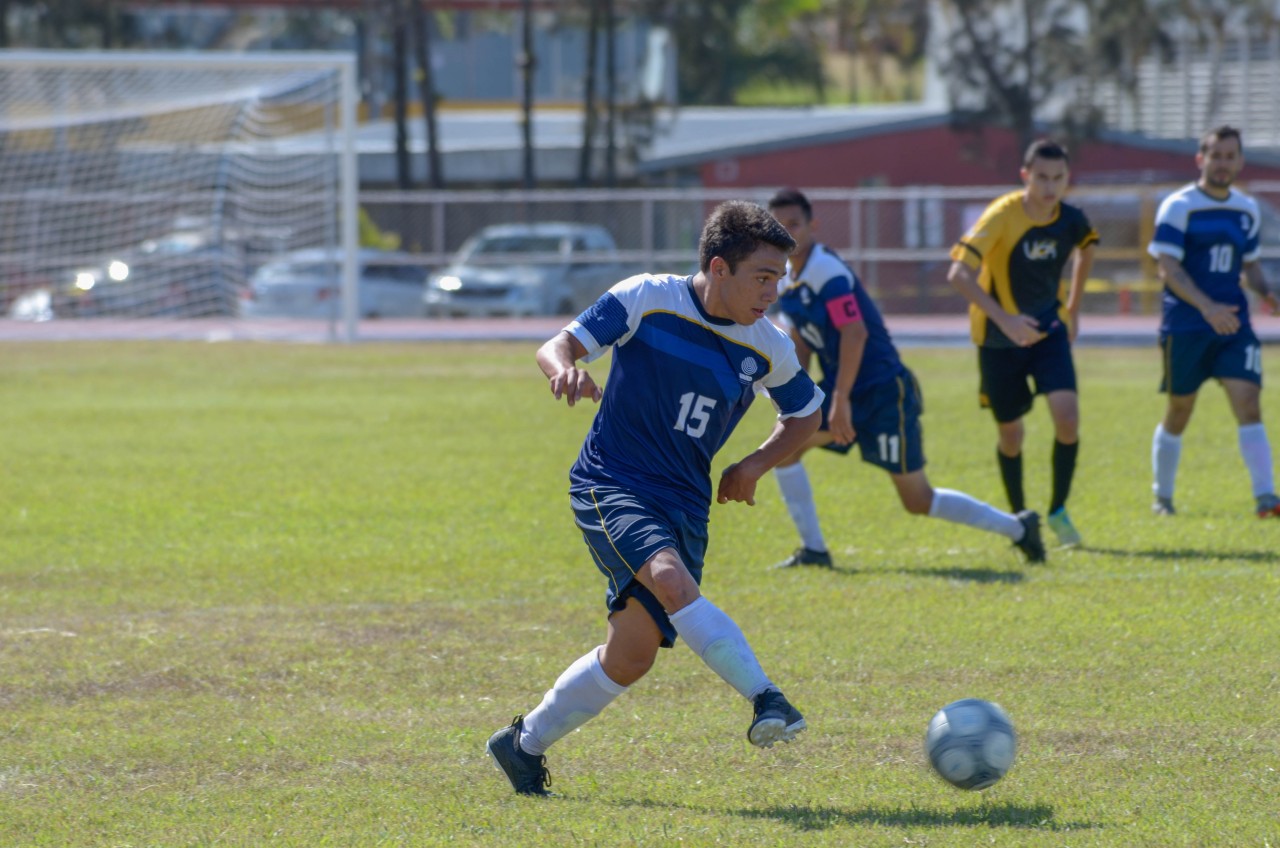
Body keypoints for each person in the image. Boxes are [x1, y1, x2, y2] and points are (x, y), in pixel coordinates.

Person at [486, 201, 826, 796]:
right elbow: (557, 346)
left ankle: (522, 745)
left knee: (633, 654)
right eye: (763, 277)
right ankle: (767, 698)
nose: (774, 291)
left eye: (780, 279)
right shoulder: (648, 298)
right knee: (670, 579)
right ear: (719, 268)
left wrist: (754, 463)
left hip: (686, 504)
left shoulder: (768, 344)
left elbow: (806, 412)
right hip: (610, 481)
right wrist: (564, 369)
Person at [764, 188, 1045, 570]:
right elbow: (803, 343)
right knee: (784, 449)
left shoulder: (825, 271)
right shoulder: (786, 280)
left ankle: (1019, 529)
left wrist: (841, 399)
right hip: (843, 387)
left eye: (794, 224)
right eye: (778, 227)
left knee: (917, 499)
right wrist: (794, 395)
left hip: (881, 391)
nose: (787, 233)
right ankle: (814, 550)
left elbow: (855, 333)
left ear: (812, 225)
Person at [946, 139, 1098, 547]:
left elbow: (1087, 247)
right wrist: (1007, 320)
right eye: (1042, 178)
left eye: (1059, 178)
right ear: (1026, 176)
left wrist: (1074, 308)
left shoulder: (1072, 219)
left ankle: (1059, 511)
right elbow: (958, 274)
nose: (1050, 187)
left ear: (1067, 179)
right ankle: (1021, 519)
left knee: (1067, 417)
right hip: (998, 339)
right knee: (1010, 434)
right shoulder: (1001, 215)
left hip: (1049, 331)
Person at [1147, 125, 1280, 518]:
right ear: (1200, 159)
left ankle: (1266, 498)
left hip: (1234, 326)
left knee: (1248, 404)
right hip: (1186, 326)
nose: (1223, 163)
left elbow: (1250, 265)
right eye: (1215, 155)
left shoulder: (1246, 209)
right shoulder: (1178, 206)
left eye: (1230, 155)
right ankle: (1163, 497)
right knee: (1180, 409)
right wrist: (1207, 308)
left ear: (1240, 160)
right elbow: (1167, 267)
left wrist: (1267, 293)